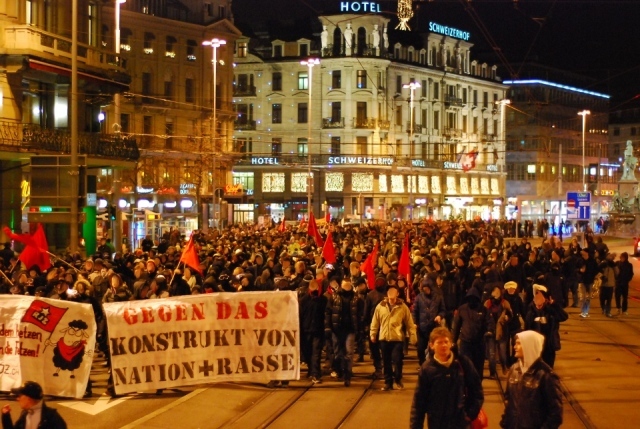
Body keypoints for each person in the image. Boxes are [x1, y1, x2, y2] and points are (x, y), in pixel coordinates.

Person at [410, 327, 484, 429]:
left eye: (446, 341)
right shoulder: (427, 369)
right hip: (437, 423)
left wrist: (469, 415)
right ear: (431, 345)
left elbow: (477, 390)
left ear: (451, 343)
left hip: (461, 422)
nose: (444, 345)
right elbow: (419, 402)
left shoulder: (463, 363)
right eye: (439, 342)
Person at [500, 330, 563, 429]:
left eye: (519, 344)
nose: (514, 347)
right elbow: (509, 400)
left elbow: (555, 413)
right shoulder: (514, 369)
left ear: (528, 346)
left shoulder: (546, 375)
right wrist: (505, 422)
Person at [370, 283, 416, 391]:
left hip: (397, 339)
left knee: (397, 360)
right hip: (384, 338)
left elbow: (409, 322)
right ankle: (388, 382)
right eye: (389, 291)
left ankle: (398, 378)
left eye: (393, 291)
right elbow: (375, 321)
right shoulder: (380, 306)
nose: (391, 293)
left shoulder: (402, 307)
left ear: (397, 294)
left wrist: (412, 336)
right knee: (386, 361)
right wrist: (373, 333)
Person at [324, 278, 363, 386]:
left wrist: (360, 330)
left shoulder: (356, 298)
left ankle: (348, 373)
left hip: (350, 330)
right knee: (337, 353)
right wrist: (328, 327)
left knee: (349, 352)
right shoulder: (334, 297)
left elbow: (360, 315)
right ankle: (339, 370)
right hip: (337, 330)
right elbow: (328, 313)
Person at [1, 381, 67, 429]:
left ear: (28, 398)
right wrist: (6, 416)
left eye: (19, 396)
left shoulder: (51, 417)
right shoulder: (25, 414)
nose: (17, 399)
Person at [412, 278, 445, 365]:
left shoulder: (438, 297)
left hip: (433, 327)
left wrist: (439, 316)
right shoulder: (419, 298)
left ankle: (433, 364)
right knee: (420, 348)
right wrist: (415, 322)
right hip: (422, 327)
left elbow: (443, 310)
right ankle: (422, 364)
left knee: (433, 348)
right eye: (424, 288)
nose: (425, 290)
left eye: (427, 288)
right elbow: (415, 311)